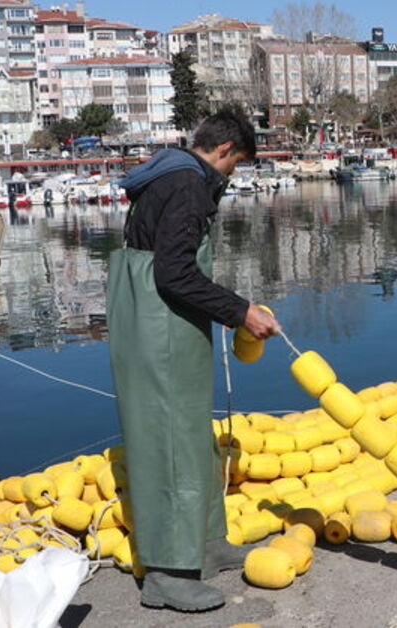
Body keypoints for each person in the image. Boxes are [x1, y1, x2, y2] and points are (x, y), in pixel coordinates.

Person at [107, 111, 279, 612]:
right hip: (157, 327)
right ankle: (166, 574)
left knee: (191, 436)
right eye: (235, 166)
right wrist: (240, 312)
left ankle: (205, 545)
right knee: (167, 446)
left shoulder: (170, 172)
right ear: (224, 149)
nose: (231, 177)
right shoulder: (185, 185)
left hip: (166, 325)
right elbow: (176, 273)